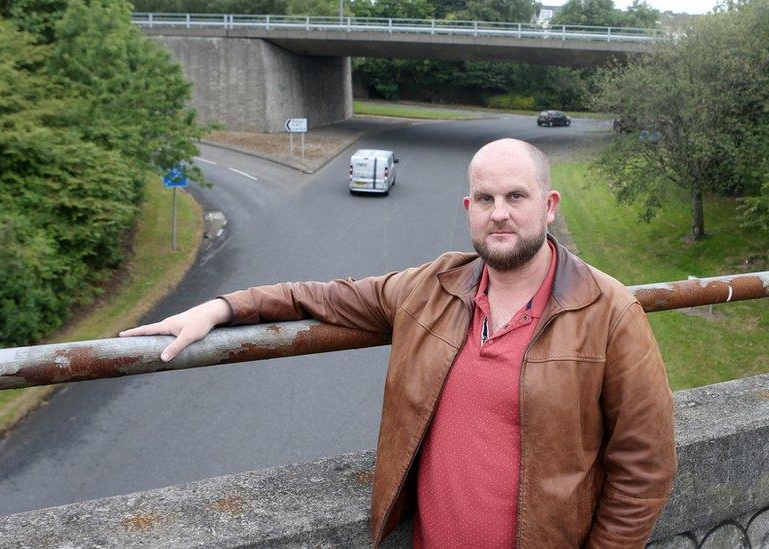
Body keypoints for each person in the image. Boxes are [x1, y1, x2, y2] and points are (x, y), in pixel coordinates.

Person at [120, 138, 677, 548]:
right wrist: (221, 307)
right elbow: (321, 296)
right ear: (469, 211)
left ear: (549, 205)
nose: (499, 212)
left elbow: (645, 467)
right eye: (484, 199)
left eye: (516, 196)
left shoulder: (610, 312)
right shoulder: (430, 287)